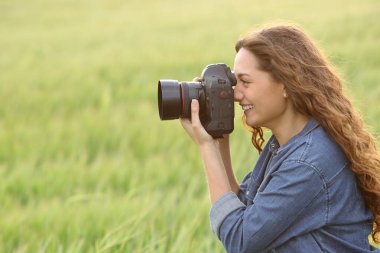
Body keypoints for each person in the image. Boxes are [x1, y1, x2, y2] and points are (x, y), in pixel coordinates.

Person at [180, 24, 380, 253]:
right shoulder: (287, 144)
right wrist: (218, 137)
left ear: (286, 84)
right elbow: (244, 209)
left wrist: (206, 147)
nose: (235, 94)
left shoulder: (307, 162)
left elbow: (241, 240)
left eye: (245, 82)